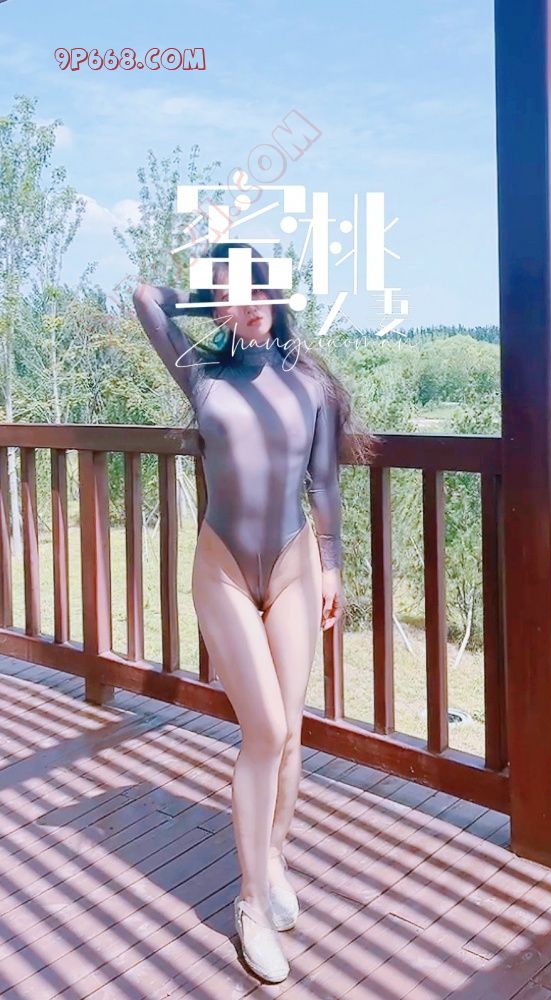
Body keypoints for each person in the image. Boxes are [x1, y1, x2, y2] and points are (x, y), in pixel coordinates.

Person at [133, 241, 368, 983]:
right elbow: (144, 296)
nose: (250, 302)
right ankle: (250, 905)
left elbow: (323, 484)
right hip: (224, 572)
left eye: (258, 287)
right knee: (263, 729)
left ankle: (272, 860)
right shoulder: (201, 371)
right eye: (232, 294)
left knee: (289, 733)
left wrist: (331, 565)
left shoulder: (310, 384)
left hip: (296, 567)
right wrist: (211, 301)